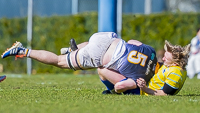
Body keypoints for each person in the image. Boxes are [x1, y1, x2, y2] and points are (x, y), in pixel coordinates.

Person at [1, 32, 157, 94]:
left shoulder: (152, 52)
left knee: (95, 55)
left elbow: (132, 41)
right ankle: (22, 51)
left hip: (107, 37)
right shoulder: (138, 80)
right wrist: (128, 89)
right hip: (99, 53)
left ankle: (72, 50)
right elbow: (120, 86)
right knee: (58, 61)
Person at [98, 40, 190, 95]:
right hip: (142, 84)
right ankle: (113, 90)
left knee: (102, 70)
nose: (163, 58)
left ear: (174, 63)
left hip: (139, 91)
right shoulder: (173, 67)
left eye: (166, 58)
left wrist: (144, 88)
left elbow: (164, 94)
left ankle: (114, 91)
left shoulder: (175, 73)